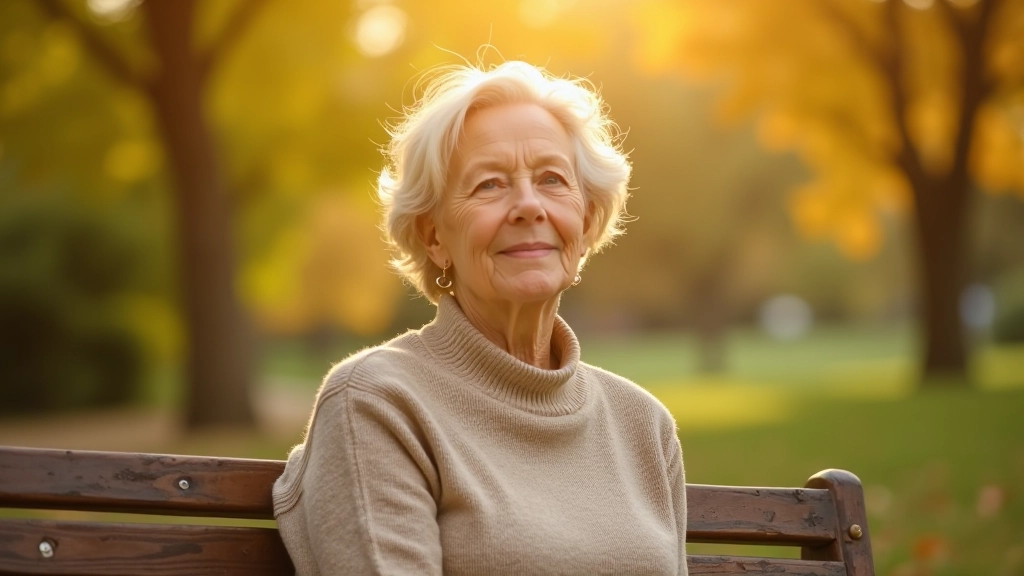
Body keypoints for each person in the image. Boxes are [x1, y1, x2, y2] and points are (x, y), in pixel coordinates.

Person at [272, 60, 688, 575]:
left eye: (552, 179)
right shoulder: (379, 402)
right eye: (490, 184)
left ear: (584, 224)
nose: (528, 206)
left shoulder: (643, 425)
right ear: (434, 237)